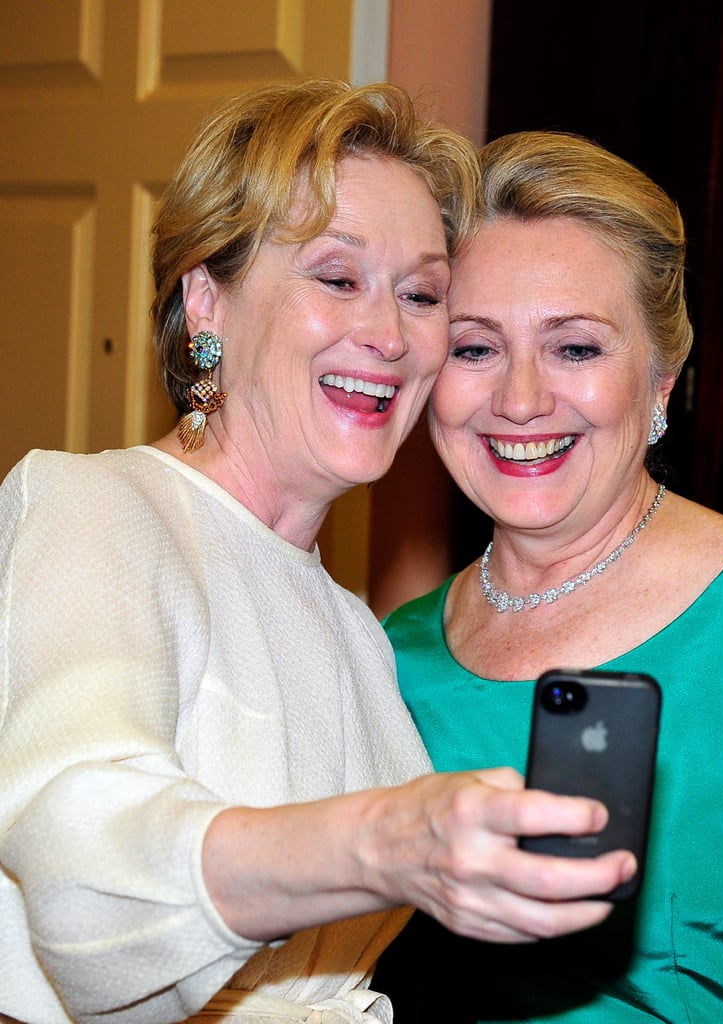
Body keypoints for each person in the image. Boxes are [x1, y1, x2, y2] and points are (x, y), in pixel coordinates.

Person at [0, 86, 639, 1024]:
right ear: (206, 300)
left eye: (421, 294)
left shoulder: (354, 628)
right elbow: (82, 849)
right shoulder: (96, 506)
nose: (387, 336)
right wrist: (385, 843)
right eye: (337, 278)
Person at [374, 130, 723, 1021]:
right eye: (474, 348)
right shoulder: (390, 655)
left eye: (575, 348)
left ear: (660, 380)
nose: (522, 399)